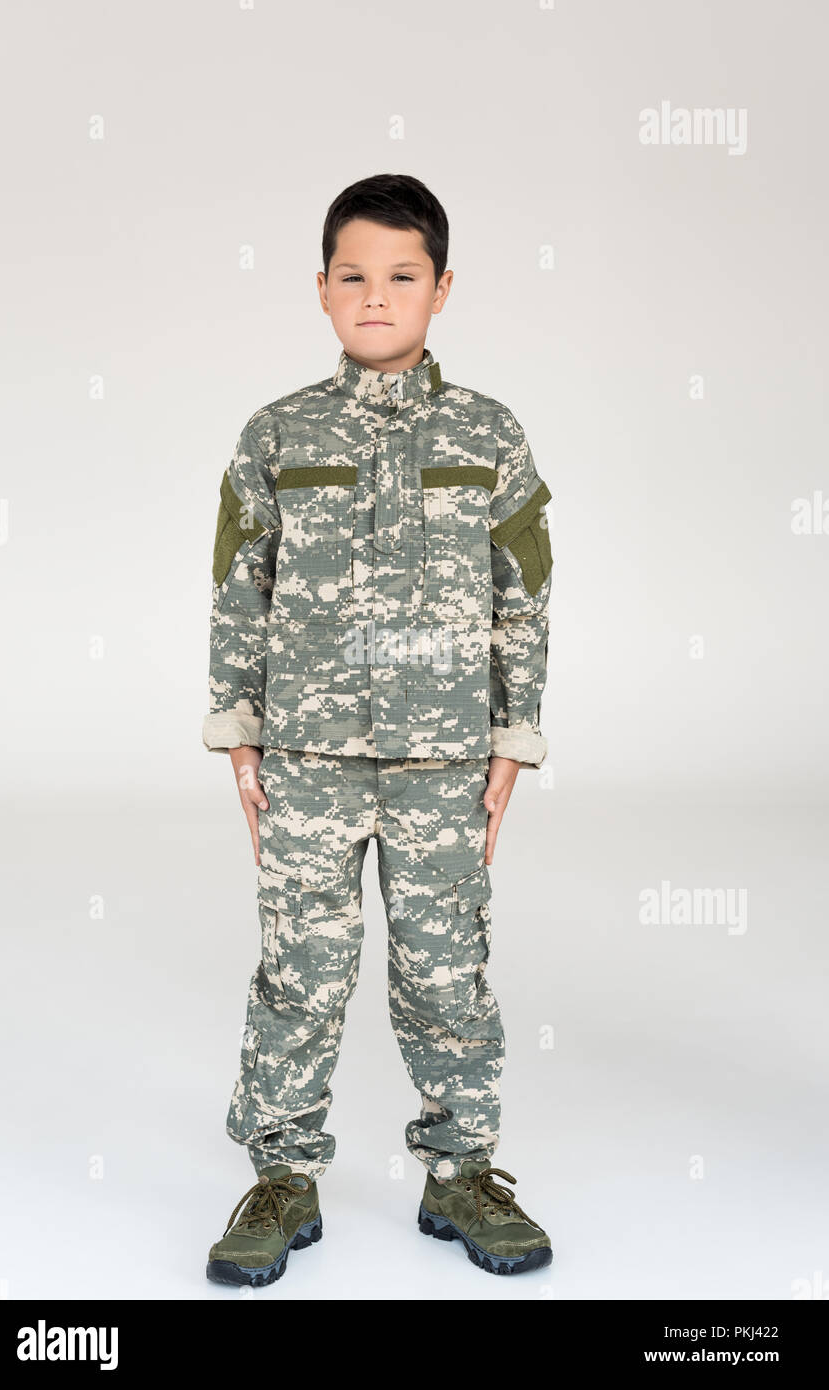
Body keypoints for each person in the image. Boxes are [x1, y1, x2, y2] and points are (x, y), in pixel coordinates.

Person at [202, 173, 554, 1287]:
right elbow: (236, 587)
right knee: (300, 968)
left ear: (441, 289)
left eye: (401, 276)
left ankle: (461, 1171)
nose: (375, 295)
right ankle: (282, 1172)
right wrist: (241, 730)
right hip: (306, 754)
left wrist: (513, 739)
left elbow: (524, 592)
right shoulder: (278, 432)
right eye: (351, 274)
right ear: (319, 289)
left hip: (442, 756)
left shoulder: (488, 433)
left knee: (446, 971)